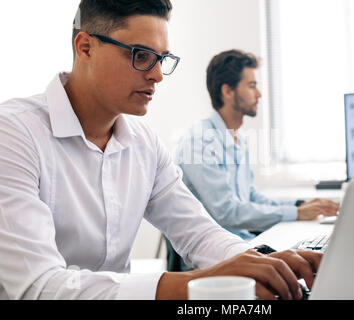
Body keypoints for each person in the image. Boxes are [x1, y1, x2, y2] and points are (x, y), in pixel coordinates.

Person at [0, 0, 322, 300]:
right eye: (140, 55)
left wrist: (266, 264)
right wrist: (200, 283)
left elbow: (199, 233)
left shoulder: (144, 143)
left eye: (162, 59)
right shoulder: (14, 134)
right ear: (86, 47)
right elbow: (37, 287)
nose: (156, 75)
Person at [175, 50, 340, 244]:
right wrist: (296, 213)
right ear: (227, 91)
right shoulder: (199, 141)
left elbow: (251, 197)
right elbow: (227, 212)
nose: (259, 94)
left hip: (240, 242)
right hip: (210, 258)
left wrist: (300, 205)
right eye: (252, 86)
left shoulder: (239, 139)